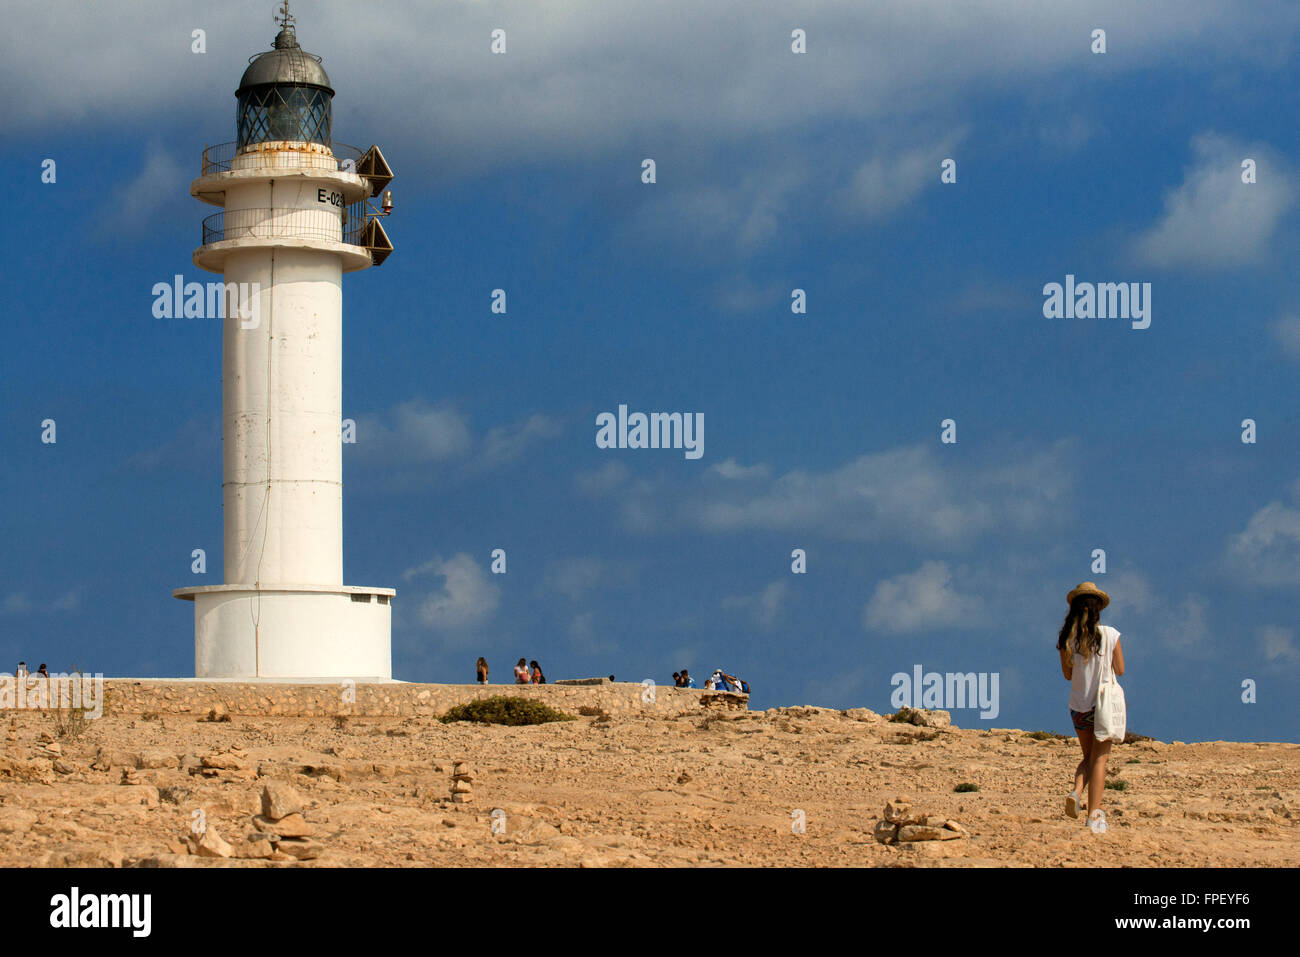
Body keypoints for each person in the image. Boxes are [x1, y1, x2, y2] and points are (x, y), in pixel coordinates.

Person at [1056, 581, 1125, 835]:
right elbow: (1120, 669)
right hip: (1102, 705)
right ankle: (1094, 815)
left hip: (1079, 707)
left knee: (1088, 757)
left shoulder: (1067, 639)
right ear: (1098, 609)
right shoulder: (1110, 634)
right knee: (1100, 760)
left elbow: (1067, 674)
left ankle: (1076, 791)